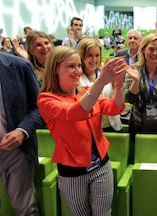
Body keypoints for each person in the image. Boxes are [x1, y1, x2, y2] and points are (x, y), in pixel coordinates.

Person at [37, 46, 127, 216]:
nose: (77, 71)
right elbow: (75, 112)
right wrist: (101, 82)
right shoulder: (46, 99)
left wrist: (119, 84)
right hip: (72, 172)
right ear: (55, 69)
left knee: (103, 213)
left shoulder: (86, 91)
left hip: (101, 165)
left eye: (79, 66)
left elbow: (114, 108)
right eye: (71, 66)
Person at [0, 8, 41, 215]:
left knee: (27, 209)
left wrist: (22, 131)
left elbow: (39, 107)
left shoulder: (19, 66)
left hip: (15, 152)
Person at [124, 33, 157, 137]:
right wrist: (136, 81)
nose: (154, 53)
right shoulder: (133, 69)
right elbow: (130, 100)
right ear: (143, 49)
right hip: (139, 122)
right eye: (151, 49)